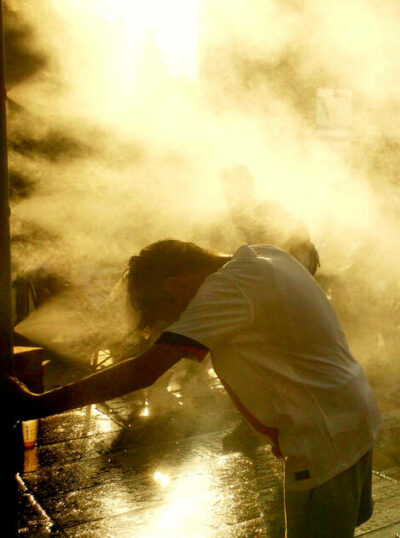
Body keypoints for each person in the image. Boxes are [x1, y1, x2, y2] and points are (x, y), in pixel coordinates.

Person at [2, 240, 380, 537]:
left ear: (176, 284)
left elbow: (145, 371)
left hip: (324, 438)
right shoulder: (266, 256)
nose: (180, 317)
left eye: (170, 308)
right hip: (354, 414)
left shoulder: (226, 288)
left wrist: (35, 404)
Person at [220, 164, 320, 275]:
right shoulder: (225, 223)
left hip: (286, 278)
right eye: (226, 188)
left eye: (234, 186)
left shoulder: (271, 212)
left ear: (249, 186)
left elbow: (303, 250)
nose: (229, 194)